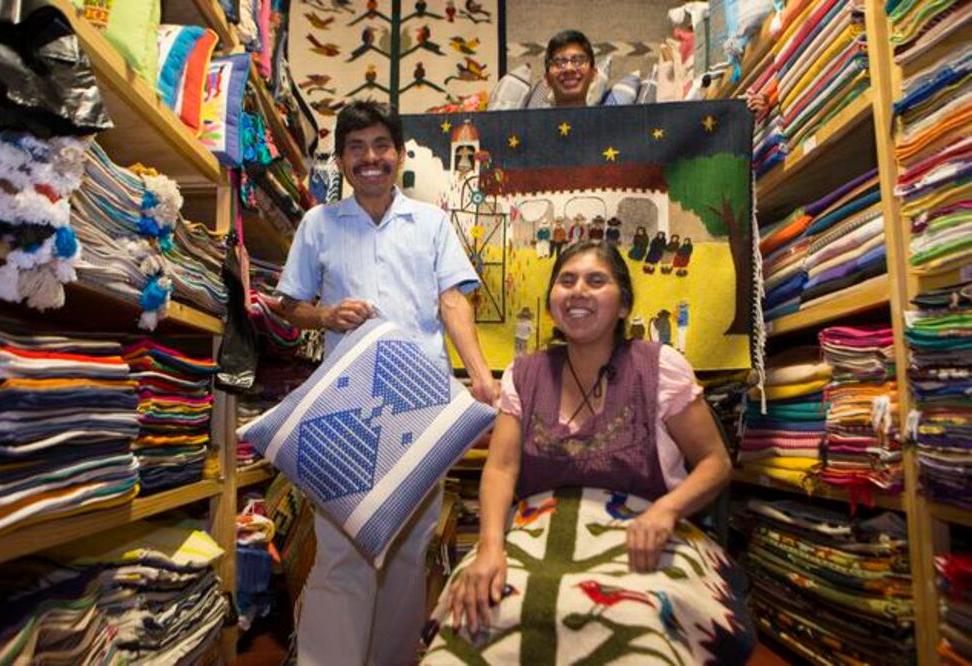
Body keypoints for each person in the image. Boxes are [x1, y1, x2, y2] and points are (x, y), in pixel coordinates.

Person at [266, 99, 497, 666]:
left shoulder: (432, 222)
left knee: (409, 549)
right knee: (341, 548)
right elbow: (288, 304)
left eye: (380, 146)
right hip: (346, 408)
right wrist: (326, 316)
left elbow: (452, 301)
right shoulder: (319, 224)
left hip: (421, 405)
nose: (370, 158)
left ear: (397, 153)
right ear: (342, 159)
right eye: (356, 148)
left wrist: (482, 375)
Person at [447, 240, 732, 634]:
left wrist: (666, 512)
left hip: (644, 533)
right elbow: (500, 468)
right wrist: (490, 545)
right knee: (479, 614)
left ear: (625, 305)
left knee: (639, 621)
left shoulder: (661, 369)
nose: (579, 290)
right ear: (550, 304)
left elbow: (715, 463)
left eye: (596, 280)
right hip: (537, 535)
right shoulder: (524, 375)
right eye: (567, 280)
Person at [543, 29, 768, 111]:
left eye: (578, 60)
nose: (569, 68)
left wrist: (744, 113)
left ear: (593, 73)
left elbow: (681, 132)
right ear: (546, 78)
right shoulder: (528, 132)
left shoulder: (618, 124)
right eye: (560, 62)